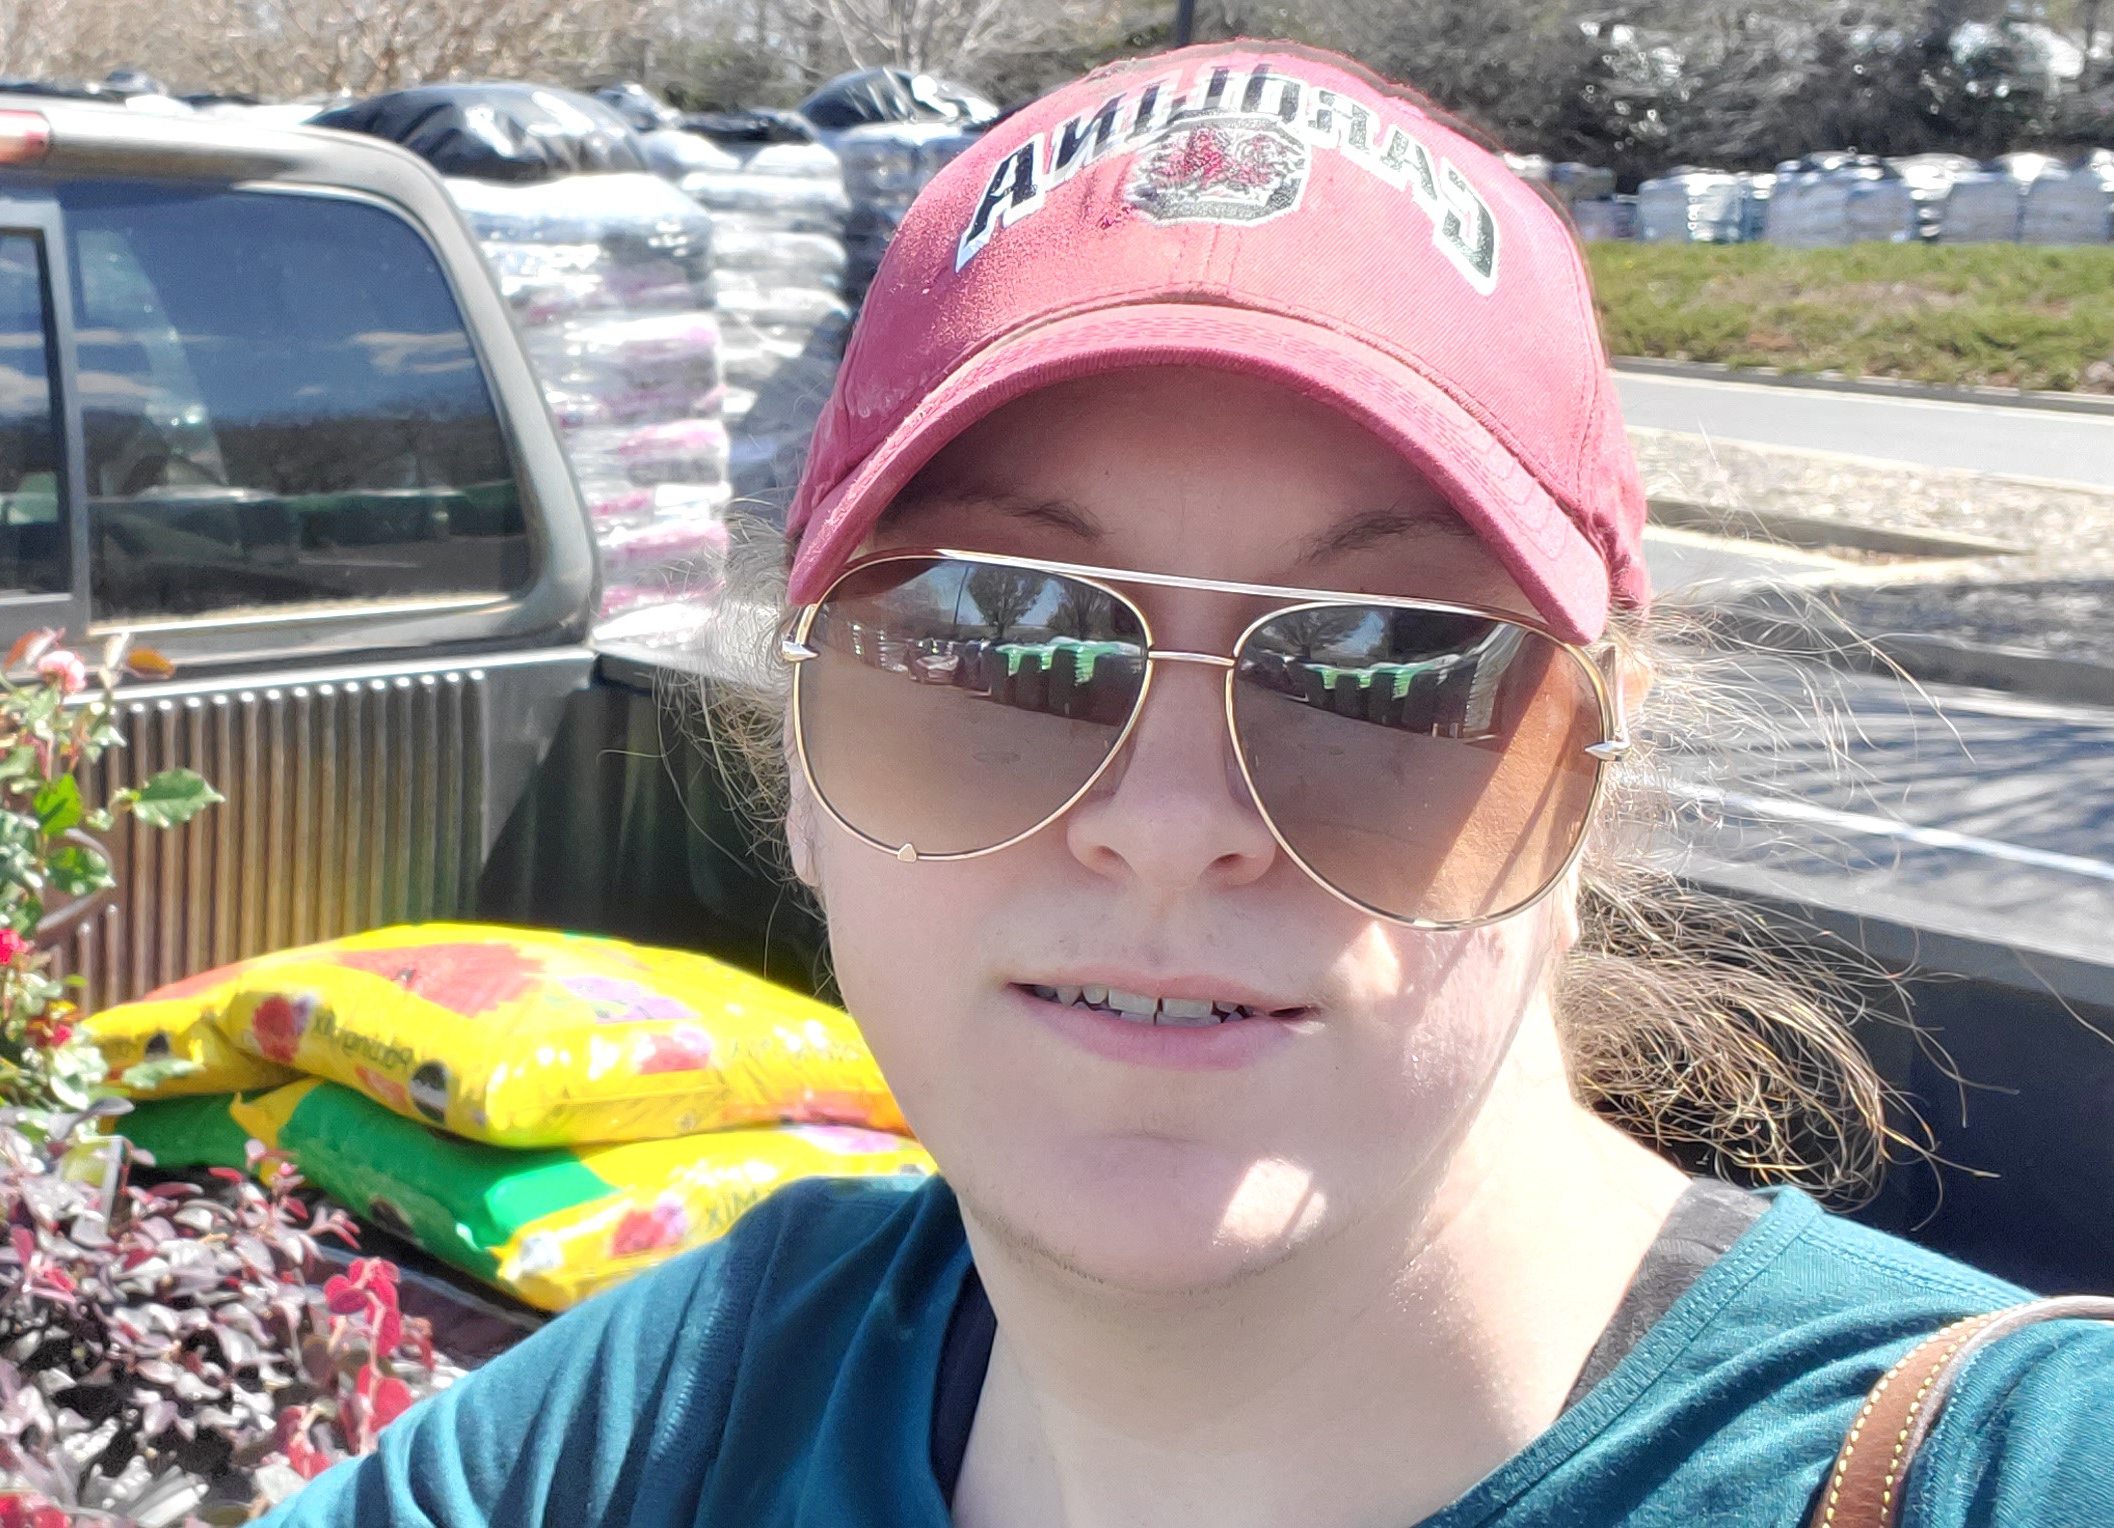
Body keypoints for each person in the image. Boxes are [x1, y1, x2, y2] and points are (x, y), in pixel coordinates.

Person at [263, 41, 2114, 1528]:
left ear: (1591, 781)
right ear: (803, 763)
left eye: (1390, 666)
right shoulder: (685, 1404)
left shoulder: (2011, 1469)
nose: (1167, 825)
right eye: (999, 637)